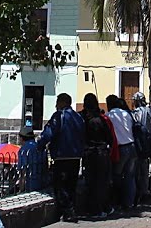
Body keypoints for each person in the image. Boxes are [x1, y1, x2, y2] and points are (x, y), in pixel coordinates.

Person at [38, 93, 84, 223]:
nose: (56, 104)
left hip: (62, 155)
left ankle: (68, 212)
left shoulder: (59, 116)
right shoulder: (78, 117)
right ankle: (69, 210)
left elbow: (49, 133)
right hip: (76, 156)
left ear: (63, 102)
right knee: (71, 184)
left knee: (61, 186)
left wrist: (40, 145)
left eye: (57, 101)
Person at [80, 93, 114, 219]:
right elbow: (109, 138)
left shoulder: (83, 119)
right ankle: (103, 208)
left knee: (91, 182)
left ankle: (94, 209)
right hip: (102, 153)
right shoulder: (100, 119)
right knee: (102, 182)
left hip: (89, 153)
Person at [105, 96, 136, 211]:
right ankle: (129, 202)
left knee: (116, 175)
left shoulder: (109, 116)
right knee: (130, 176)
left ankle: (117, 201)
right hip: (131, 146)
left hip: (120, 148)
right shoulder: (126, 114)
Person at [130, 92, 151, 204]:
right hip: (147, 144)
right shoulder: (150, 112)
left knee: (138, 169)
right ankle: (144, 190)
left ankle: (139, 191)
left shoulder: (137, 113)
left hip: (139, 144)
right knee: (144, 169)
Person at [16, 126, 47, 193]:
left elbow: (23, 170)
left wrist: (21, 189)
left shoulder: (23, 150)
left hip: (30, 183)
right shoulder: (40, 147)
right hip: (43, 182)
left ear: (21, 138)